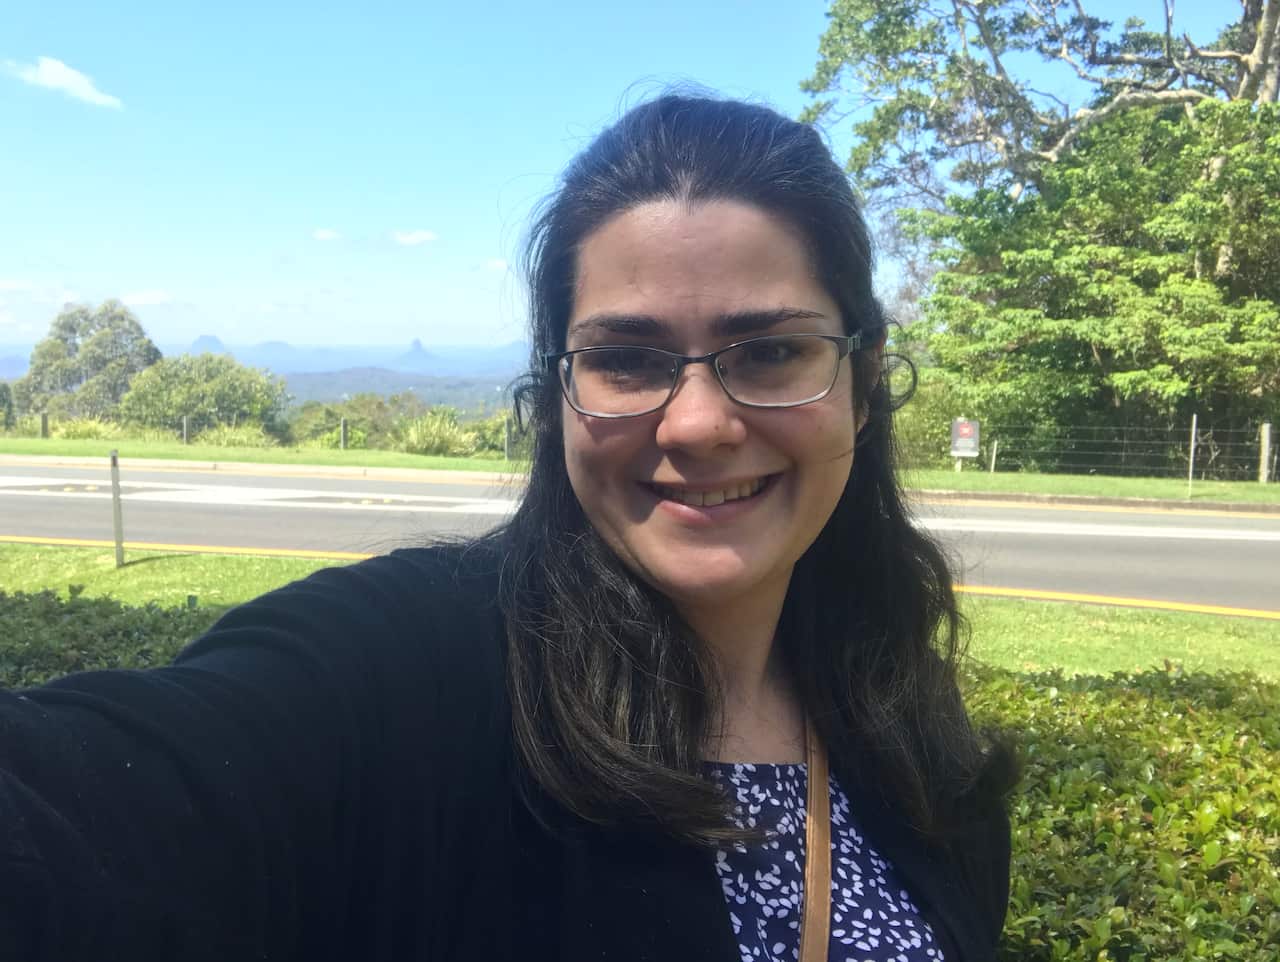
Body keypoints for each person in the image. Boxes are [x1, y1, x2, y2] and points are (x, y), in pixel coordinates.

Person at [0, 94, 1017, 962]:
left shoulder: (906, 723)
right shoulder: (407, 675)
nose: (699, 421)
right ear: (555, 396)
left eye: (769, 351)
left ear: (863, 380)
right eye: (626, 359)